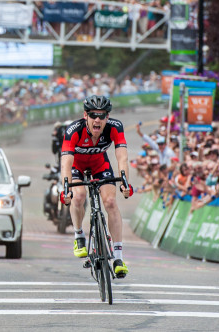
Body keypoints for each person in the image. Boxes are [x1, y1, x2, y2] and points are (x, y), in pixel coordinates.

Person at [59, 95, 133, 279]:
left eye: (102, 115)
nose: (97, 120)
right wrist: (66, 189)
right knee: (78, 196)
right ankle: (79, 237)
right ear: (86, 115)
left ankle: (117, 258)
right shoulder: (73, 130)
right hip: (76, 166)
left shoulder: (115, 127)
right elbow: (66, 163)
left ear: (108, 117)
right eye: (93, 115)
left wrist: (125, 183)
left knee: (109, 202)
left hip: (100, 165)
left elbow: (122, 157)